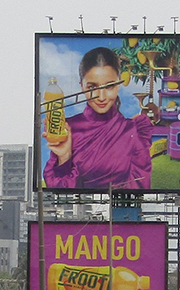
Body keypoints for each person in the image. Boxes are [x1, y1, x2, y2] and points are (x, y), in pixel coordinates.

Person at [43, 47, 153, 190]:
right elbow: (58, 190)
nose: (101, 97)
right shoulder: (67, 130)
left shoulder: (134, 131)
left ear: (119, 85)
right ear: (81, 86)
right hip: (79, 211)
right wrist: (64, 158)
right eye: (92, 88)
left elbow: (140, 186)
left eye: (109, 86)